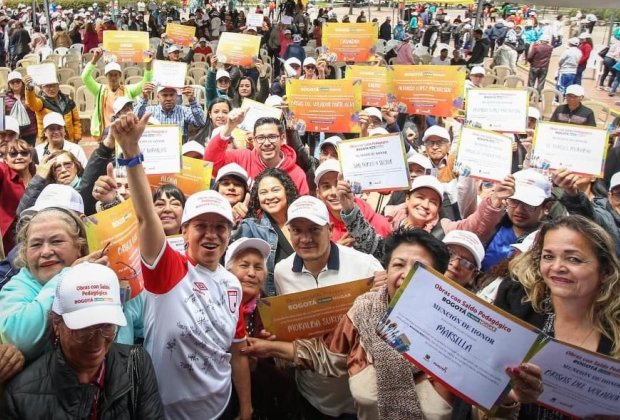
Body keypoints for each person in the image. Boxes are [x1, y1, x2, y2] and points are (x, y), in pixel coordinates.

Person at [245, 228, 542, 419]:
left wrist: (509, 399)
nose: (404, 273)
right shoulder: (364, 311)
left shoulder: (462, 331)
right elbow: (327, 357)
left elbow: (483, 409)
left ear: (438, 276)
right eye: (398, 264)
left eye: (418, 267)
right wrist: (270, 346)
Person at [111, 112, 252, 419]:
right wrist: (131, 152)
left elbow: (238, 352)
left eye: (221, 227)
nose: (212, 234)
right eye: (202, 225)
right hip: (165, 411)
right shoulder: (168, 270)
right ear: (185, 231)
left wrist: (246, 407)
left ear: (230, 233)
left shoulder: (232, 284)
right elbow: (146, 217)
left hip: (221, 407)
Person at [455, 215, 620, 419]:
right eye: (549, 256)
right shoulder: (517, 305)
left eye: (573, 259)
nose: (557, 267)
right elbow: (477, 392)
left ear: (605, 271)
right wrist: (510, 397)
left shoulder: (615, 330)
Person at [0, 262, 166, 418]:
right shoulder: (20, 396)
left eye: (107, 325)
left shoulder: (136, 364)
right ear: (57, 323)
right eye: (83, 329)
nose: (96, 341)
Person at [273, 195, 384, 418]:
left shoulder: (365, 265)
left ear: (330, 229)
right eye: (297, 231)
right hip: (311, 393)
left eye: (314, 229)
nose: (305, 239)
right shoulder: (282, 271)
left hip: (357, 396)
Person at [0, 206, 106, 361]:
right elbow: (19, 339)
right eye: (36, 244)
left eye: (56, 241)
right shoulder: (17, 287)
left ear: (80, 247)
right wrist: (66, 278)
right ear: (24, 252)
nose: (46, 252)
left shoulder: (100, 277)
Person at [206, 112, 310, 195]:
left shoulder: (297, 174)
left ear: (282, 139)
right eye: (260, 138)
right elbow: (209, 165)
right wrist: (229, 127)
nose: (267, 143)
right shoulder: (242, 158)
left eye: (272, 137)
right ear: (254, 141)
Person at [236, 168, 298, 297]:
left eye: (275, 190)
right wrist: (232, 222)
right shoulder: (251, 228)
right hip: (276, 304)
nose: (270, 197)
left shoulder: (304, 221)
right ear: (257, 198)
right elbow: (230, 255)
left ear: (287, 191)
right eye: (263, 192)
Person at [314, 159, 392, 244]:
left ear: (351, 185)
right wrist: (334, 252)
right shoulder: (315, 227)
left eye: (338, 184)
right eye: (326, 187)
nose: (333, 192)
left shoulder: (380, 224)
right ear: (318, 193)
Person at [81, 48, 153, 139]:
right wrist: (94, 59)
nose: (113, 78)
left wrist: (148, 65)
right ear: (106, 76)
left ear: (120, 76)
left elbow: (145, 83)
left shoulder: (128, 90)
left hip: (125, 130)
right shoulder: (100, 90)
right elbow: (85, 77)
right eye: (110, 75)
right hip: (106, 133)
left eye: (116, 75)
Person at [134, 84, 206, 143]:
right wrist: (144, 98)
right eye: (165, 95)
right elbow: (135, 119)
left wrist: (192, 101)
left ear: (177, 96)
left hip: (179, 153)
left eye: (171, 95)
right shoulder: (151, 111)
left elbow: (201, 122)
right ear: (158, 97)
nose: (168, 98)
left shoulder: (183, 111)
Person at [0, 139, 35, 254]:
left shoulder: (39, 175)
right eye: (13, 154)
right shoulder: (4, 173)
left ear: (30, 157)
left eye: (24, 153)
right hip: (10, 237)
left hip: (35, 231)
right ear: (5, 159)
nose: (19, 157)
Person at [24, 75, 81, 143]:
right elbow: (32, 103)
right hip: (49, 142)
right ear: (42, 87)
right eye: (47, 86)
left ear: (58, 86)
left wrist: (77, 135)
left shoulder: (68, 100)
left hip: (68, 141)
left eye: (54, 85)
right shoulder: (40, 101)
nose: (51, 89)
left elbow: (76, 120)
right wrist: (29, 89)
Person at [3, 72, 36, 147]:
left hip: (30, 132)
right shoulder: (4, 97)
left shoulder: (29, 94)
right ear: (9, 84)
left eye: (18, 81)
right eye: (12, 82)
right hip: (13, 133)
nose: (15, 83)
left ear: (22, 82)